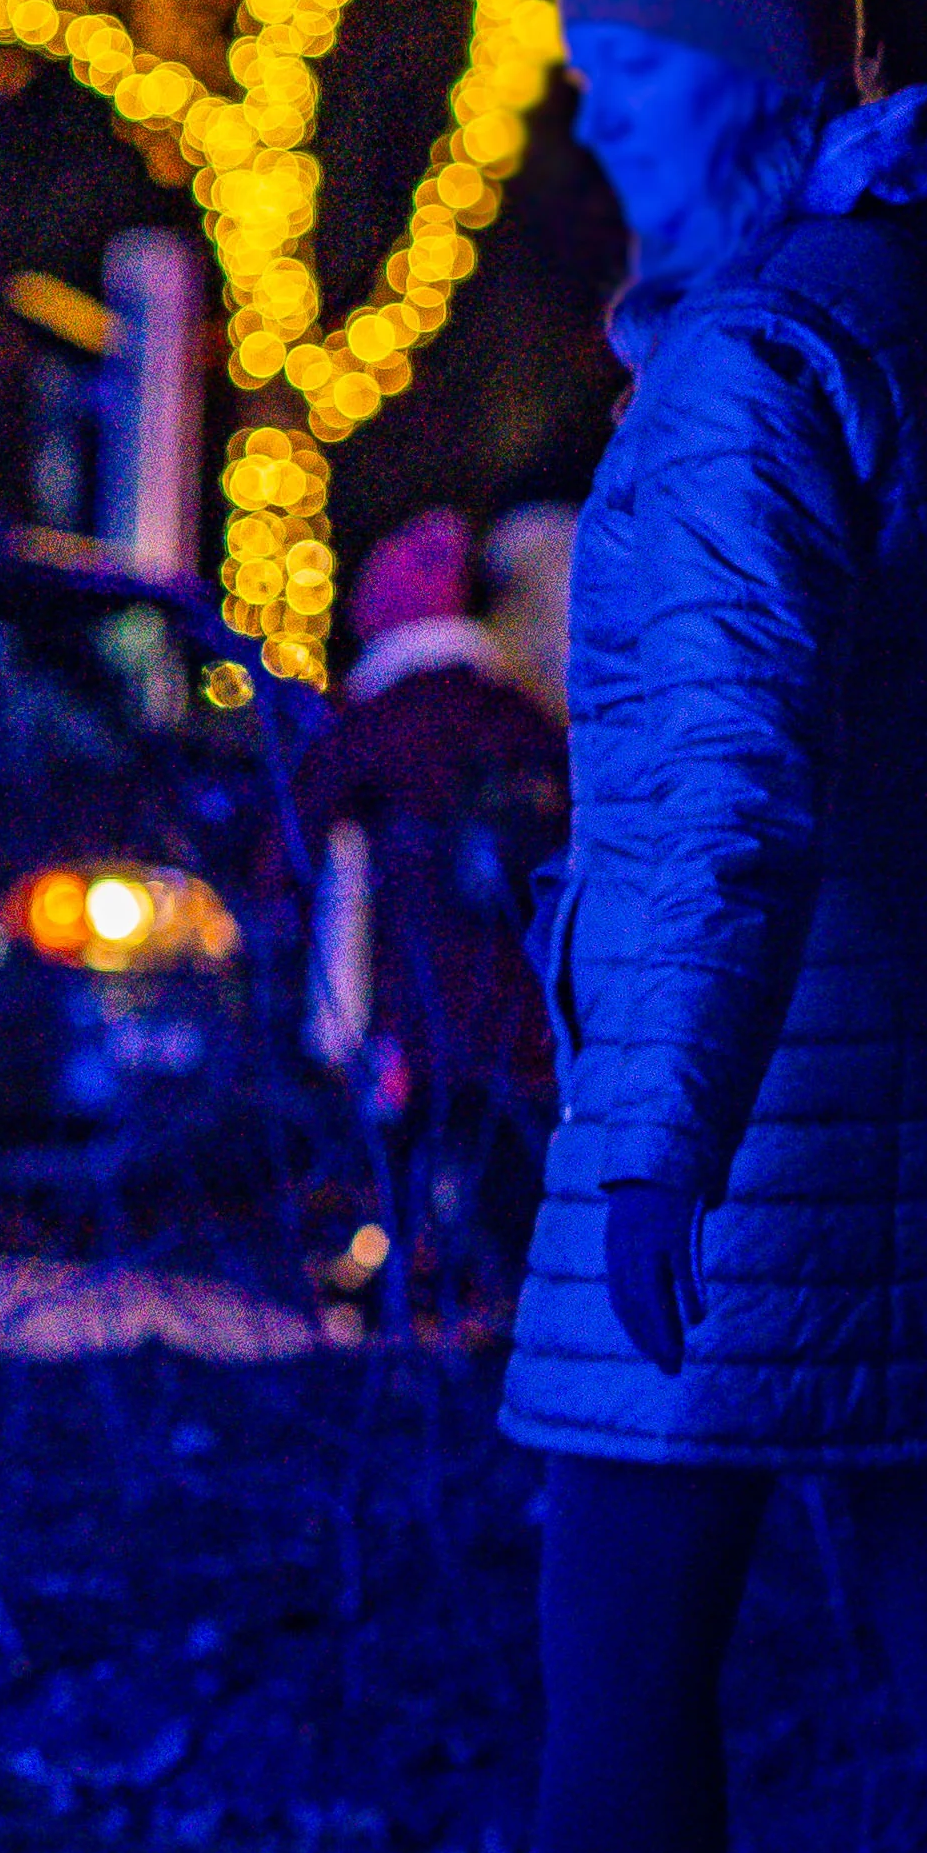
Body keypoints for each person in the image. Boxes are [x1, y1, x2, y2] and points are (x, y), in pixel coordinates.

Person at [387, 0, 927, 1853]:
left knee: (619, 1644)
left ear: (722, 84)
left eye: (607, 77)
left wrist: (652, 1129)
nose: (579, 119)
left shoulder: (756, 365)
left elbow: (706, 794)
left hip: (754, 1127)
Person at [296, 506, 562, 1323]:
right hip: (522, 1012)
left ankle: (404, 1286)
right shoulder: (524, 717)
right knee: (506, 1171)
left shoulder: (379, 718)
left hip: (409, 1003)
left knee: (404, 1155)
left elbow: (292, 840)